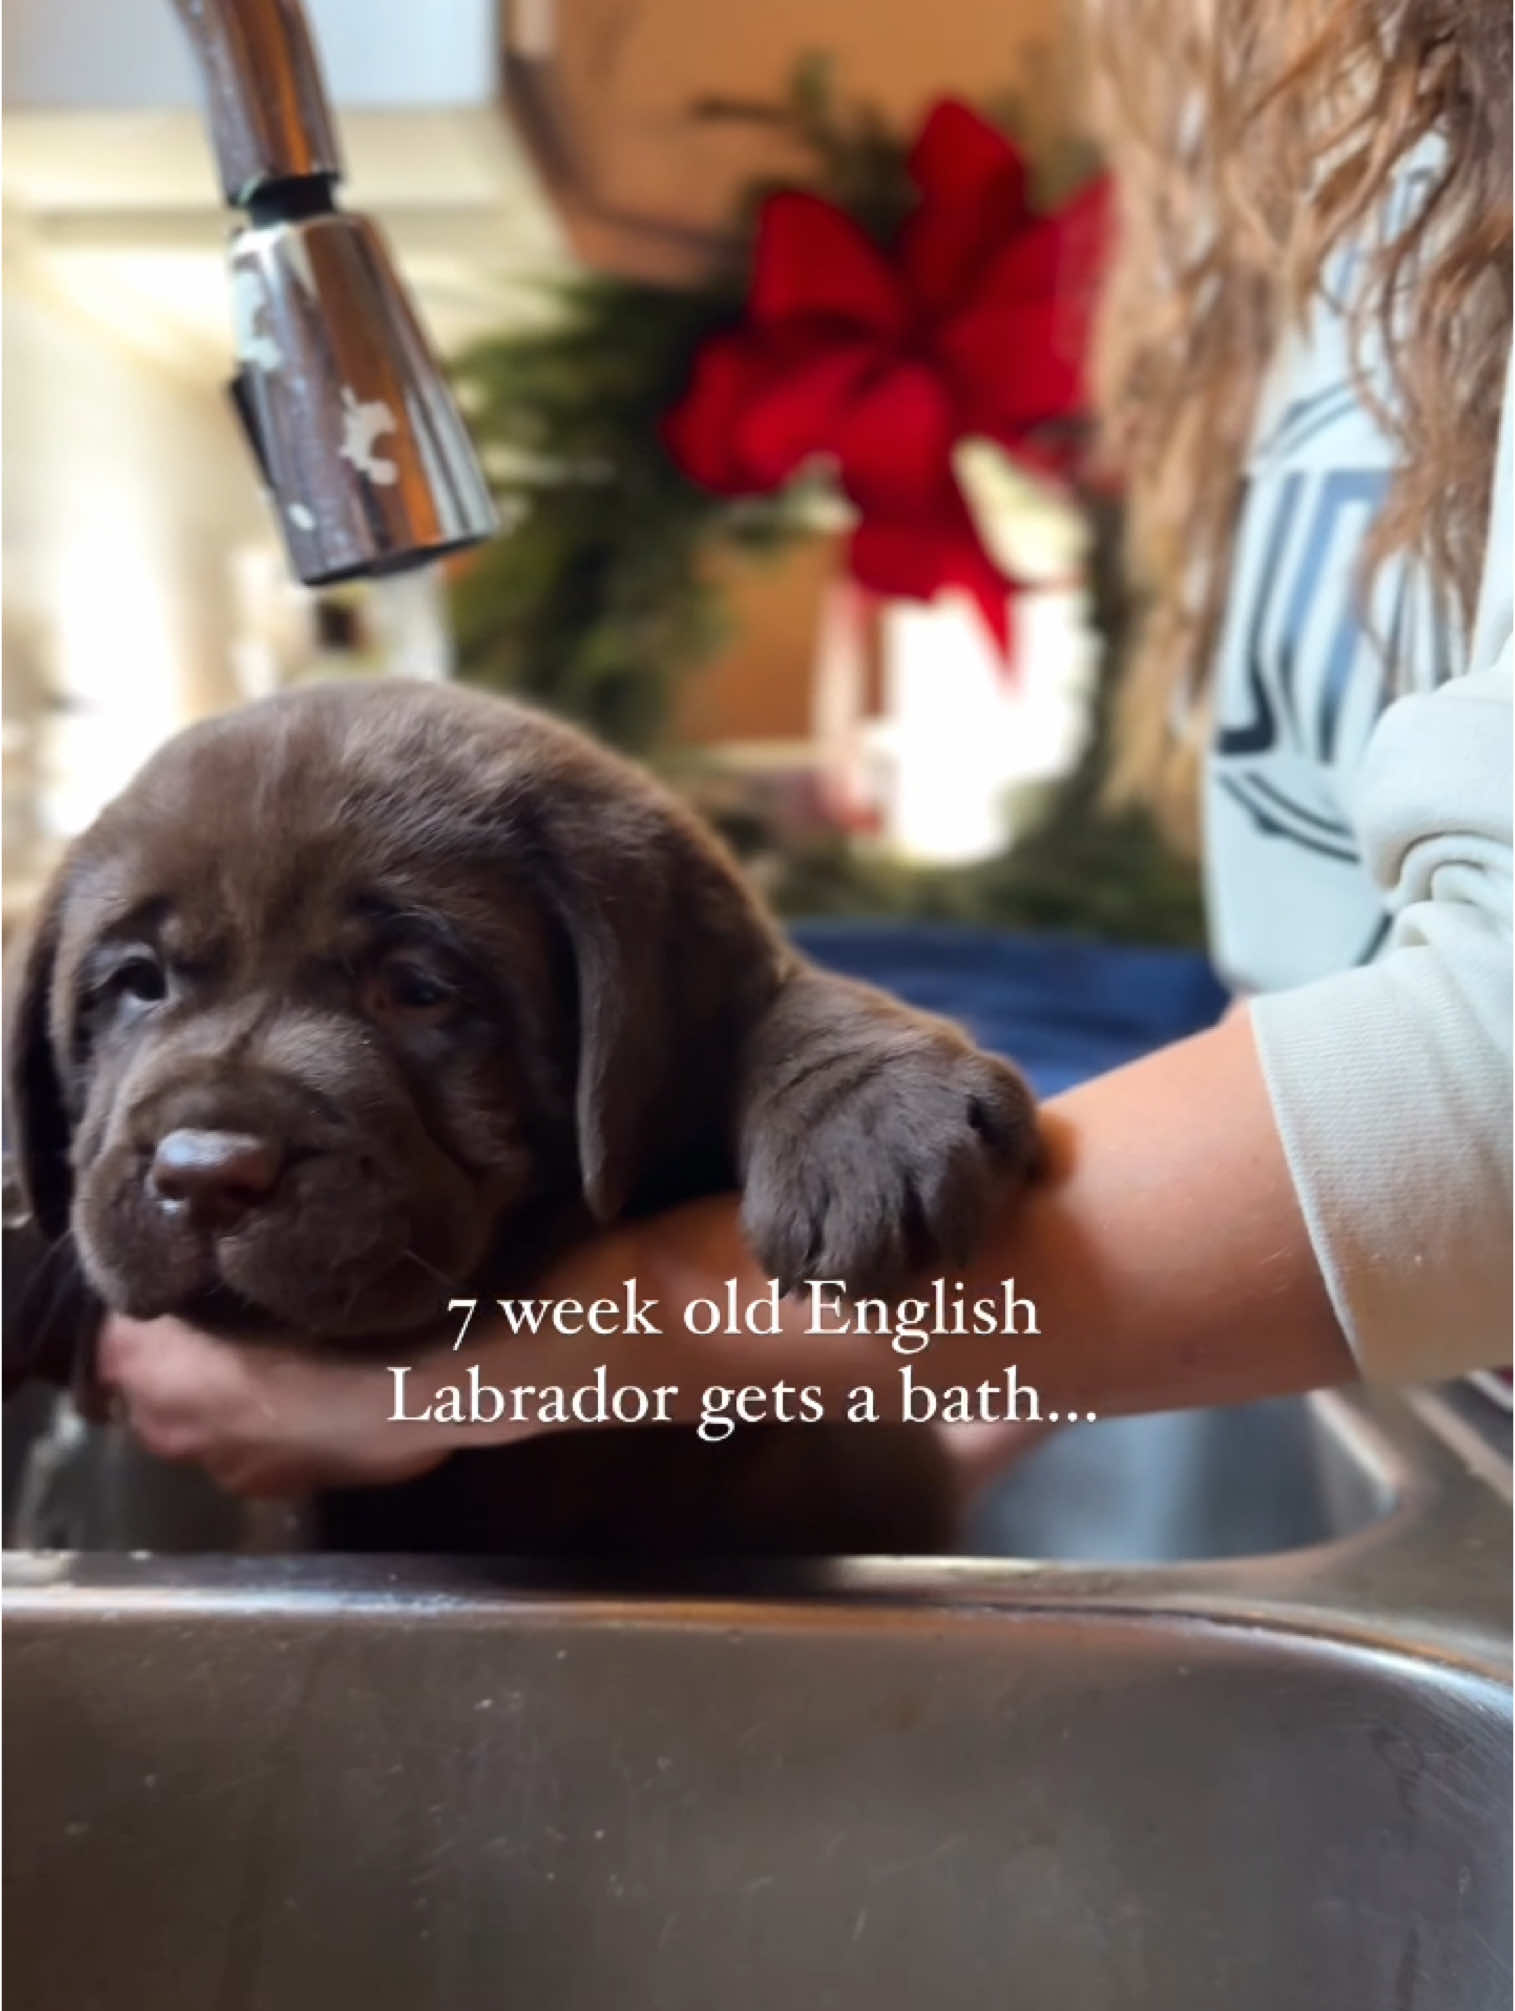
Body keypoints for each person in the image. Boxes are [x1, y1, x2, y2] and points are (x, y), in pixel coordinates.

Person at [98, 0, 1512, 1502]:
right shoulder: (1345, 163)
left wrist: (477, 1375)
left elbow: (1491, 1078)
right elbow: (1337, 973)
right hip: (1414, 1403)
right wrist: (954, 1379)